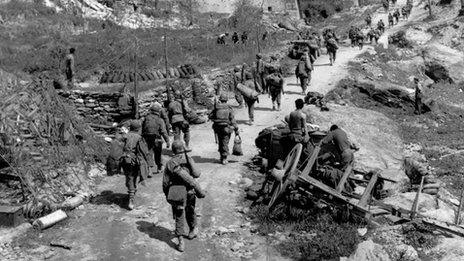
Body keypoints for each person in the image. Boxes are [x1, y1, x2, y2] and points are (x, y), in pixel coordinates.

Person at [163, 140, 206, 252]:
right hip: (190, 191)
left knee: (179, 215)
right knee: (190, 210)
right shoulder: (188, 159)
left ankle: (181, 241)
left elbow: (165, 183)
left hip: (177, 193)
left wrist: (168, 194)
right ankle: (193, 230)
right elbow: (197, 174)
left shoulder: (170, 163)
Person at [120, 121, 149, 210]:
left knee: (128, 176)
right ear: (138, 128)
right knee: (133, 177)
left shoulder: (124, 136)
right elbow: (143, 151)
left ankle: (131, 191)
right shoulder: (139, 138)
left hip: (124, 160)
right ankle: (131, 199)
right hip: (134, 161)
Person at [209, 93, 239, 164]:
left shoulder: (216, 107)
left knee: (220, 141)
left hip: (218, 128)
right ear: (226, 99)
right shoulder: (229, 107)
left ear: (220, 99)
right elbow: (232, 119)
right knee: (225, 142)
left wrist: (215, 120)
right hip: (226, 128)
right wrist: (236, 129)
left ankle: (221, 156)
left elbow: (210, 116)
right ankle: (224, 158)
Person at [142, 104, 170, 176]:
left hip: (147, 139)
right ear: (158, 111)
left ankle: (149, 170)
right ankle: (159, 168)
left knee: (149, 154)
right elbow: (163, 131)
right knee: (158, 153)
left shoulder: (146, 118)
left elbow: (142, 129)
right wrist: (167, 141)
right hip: (157, 139)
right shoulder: (160, 120)